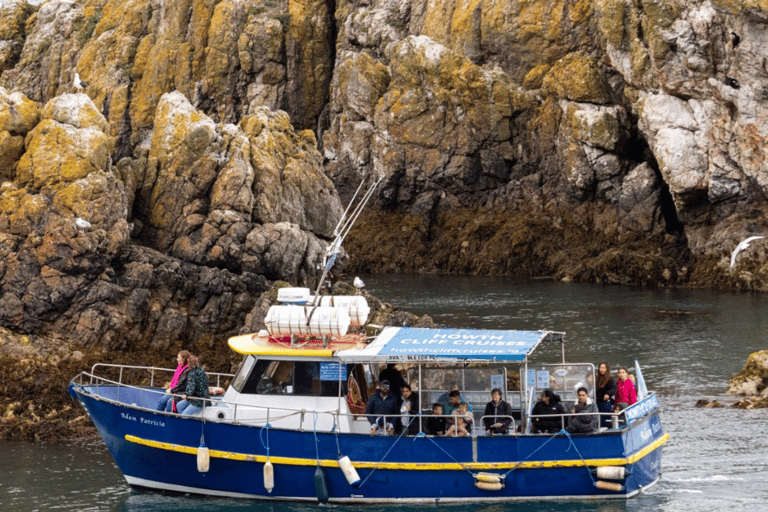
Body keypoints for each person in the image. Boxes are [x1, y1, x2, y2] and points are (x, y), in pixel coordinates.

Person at [595, 361, 617, 428]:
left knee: (605, 419)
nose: (602, 369)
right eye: (600, 368)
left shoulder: (609, 379)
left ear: (607, 369)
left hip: (605, 403)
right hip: (597, 401)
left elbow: (615, 388)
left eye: (604, 368)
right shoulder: (597, 378)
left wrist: (608, 394)